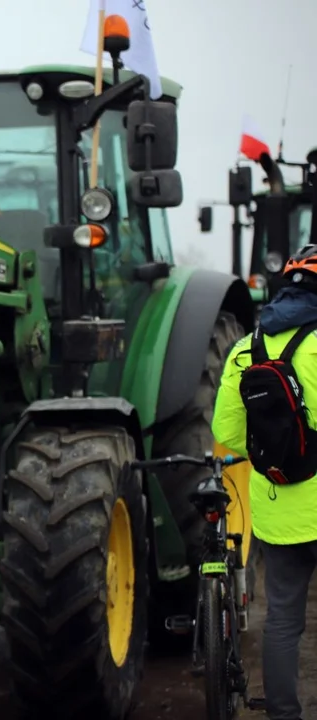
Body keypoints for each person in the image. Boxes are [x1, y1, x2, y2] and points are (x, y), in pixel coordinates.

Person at [212, 244, 317, 720]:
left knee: (282, 624)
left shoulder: (243, 349)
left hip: (277, 510)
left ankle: (282, 714)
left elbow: (227, 435)